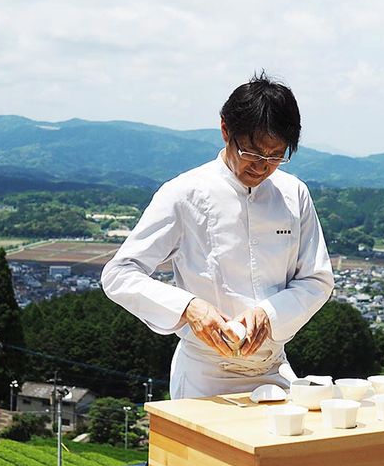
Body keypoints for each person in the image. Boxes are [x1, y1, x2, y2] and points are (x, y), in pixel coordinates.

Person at [101, 72, 334, 400]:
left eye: (275, 156)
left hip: (273, 369)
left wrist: (269, 314)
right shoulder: (184, 193)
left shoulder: (294, 193)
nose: (262, 167)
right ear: (226, 130)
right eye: (252, 152)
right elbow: (119, 274)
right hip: (204, 374)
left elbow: (316, 280)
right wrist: (189, 308)